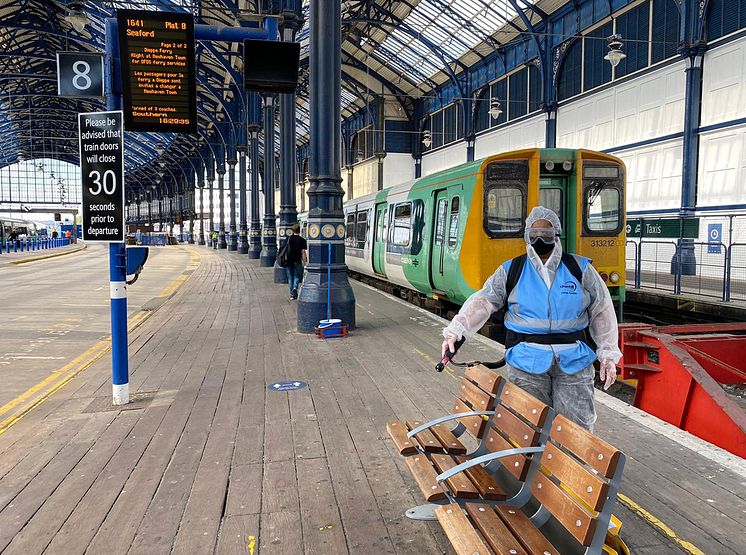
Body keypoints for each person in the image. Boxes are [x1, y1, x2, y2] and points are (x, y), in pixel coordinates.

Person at [441, 206, 622, 431]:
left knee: (575, 430)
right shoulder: (512, 270)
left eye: (545, 233)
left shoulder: (580, 269)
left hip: (573, 362)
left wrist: (608, 354)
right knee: (528, 428)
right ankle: (534, 466)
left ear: (557, 234)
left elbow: (602, 310)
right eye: (533, 233)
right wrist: (456, 331)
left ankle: (571, 466)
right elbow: (483, 302)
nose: (539, 238)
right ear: (526, 236)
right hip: (527, 361)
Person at [284, 223, 307, 300]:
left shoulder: (288, 239)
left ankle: (291, 295)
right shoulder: (302, 240)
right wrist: (305, 262)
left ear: (292, 230)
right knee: (297, 276)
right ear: (299, 230)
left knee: (290, 277)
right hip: (297, 260)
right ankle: (294, 288)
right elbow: (303, 252)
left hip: (288, 261)